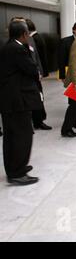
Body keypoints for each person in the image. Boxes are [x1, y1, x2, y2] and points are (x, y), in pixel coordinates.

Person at [0, 21, 42, 185]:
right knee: (22, 136)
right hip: (18, 101)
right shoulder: (18, 49)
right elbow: (32, 69)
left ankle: (13, 168)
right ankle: (17, 171)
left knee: (11, 136)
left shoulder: (7, 46)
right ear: (24, 34)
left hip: (9, 100)